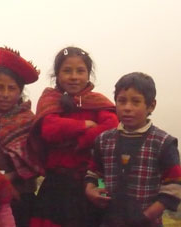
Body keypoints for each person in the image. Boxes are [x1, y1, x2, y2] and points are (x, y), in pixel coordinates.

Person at [28, 46, 119, 227]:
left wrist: (82, 140)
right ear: (57, 74)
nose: (74, 76)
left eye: (80, 71)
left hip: (92, 181)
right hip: (57, 185)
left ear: (88, 74)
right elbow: (49, 129)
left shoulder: (97, 102)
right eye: (67, 71)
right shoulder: (50, 100)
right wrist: (84, 125)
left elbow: (112, 127)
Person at [85, 72, 181, 227]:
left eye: (136, 102)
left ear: (151, 105)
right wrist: (95, 191)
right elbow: (97, 174)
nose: (127, 108)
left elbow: (174, 187)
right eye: (121, 101)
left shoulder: (163, 143)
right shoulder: (104, 140)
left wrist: (145, 217)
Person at [0, 47, 43, 227]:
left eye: (11, 88)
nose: (5, 94)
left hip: (21, 197)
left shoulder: (30, 122)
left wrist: (9, 179)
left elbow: (36, 161)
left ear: (20, 91)